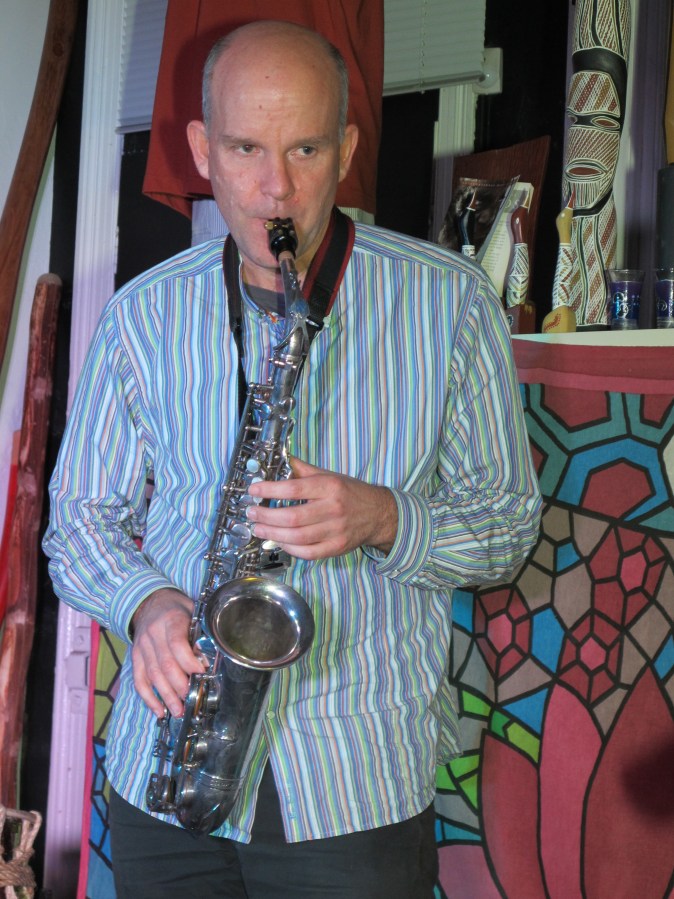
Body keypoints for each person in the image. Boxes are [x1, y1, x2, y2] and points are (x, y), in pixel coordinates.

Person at [44, 20, 542, 899]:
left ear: (346, 149)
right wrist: (146, 603)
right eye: (245, 148)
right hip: (168, 766)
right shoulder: (142, 314)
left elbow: (507, 528)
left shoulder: (451, 304)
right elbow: (77, 523)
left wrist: (385, 517)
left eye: (306, 149)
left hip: (352, 788)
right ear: (201, 150)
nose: (276, 187)